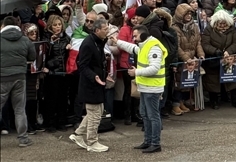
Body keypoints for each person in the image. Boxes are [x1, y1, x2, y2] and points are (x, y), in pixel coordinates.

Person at [115, 24, 167, 153]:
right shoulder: (145, 45)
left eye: (136, 36)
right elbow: (132, 48)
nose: (134, 39)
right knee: (145, 114)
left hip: (153, 88)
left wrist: (136, 72)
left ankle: (155, 143)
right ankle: (148, 141)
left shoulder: (153, 47)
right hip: (145, 87)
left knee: (152, 116)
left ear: (143, 35)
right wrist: (117, 42)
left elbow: (154, 68)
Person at [70, 17, 111, 153]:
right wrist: (94, 76)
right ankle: (92, 142)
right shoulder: (88, 43)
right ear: (97, 30)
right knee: (94, 113)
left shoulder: (98, 41)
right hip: (90, 84)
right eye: (105, 29)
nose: (107, 31)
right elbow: (82, 65)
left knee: (96, 111)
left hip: (98, 82)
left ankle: (78, 134)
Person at [0, 15, 36, 148]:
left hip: (2, 77)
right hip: (20, 77)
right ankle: (23, 139)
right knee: (20, 109)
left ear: (3, 26)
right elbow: (32, 56)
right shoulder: (25, 40)